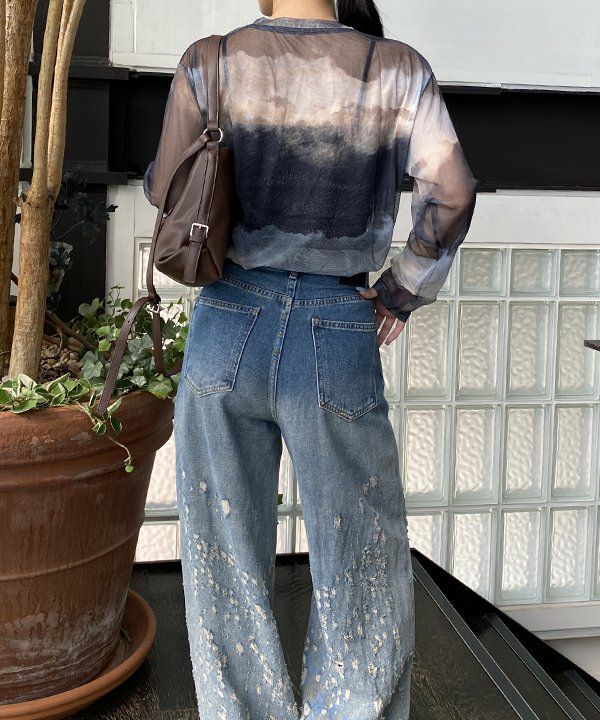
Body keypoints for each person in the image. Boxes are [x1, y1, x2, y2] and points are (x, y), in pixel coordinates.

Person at [143, 1, 478, 718]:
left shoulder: (211, 60)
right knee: (360, 553)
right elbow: (450, 191)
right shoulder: (397, 68)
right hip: (337, 322)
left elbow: (164, 187)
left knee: (224, 552)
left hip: (229, 318)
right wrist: (402, 288)